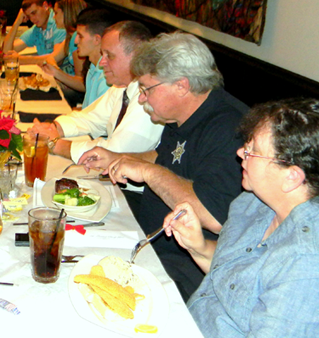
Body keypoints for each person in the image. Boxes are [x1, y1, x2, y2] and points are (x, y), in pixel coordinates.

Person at [165, 98, 319, 337]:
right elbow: (238, 282)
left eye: (253, 151)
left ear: (292, 177)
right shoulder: (255, 203)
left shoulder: (317, 261)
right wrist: (200, 248)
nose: (240, 152)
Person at [79, 32, 249, 300]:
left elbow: (214, 217)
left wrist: (147, 172)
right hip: (148, 237)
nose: (142, 99)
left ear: (181, 85)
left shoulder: (229, 129)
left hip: (182, 264)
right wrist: (119, 158)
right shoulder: (180, 114)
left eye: (146, 89)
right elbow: (163, 157)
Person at [30, 21, 162, 209]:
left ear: (137, 57)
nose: (101, 63)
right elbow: (91, 117)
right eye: (102, 54)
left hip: (135, 199)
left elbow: (113, 153)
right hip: (114, 185)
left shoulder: (148, 100)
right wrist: (55, 128)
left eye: (109, 56)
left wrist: (55, 144)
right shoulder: (122, 86)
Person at [40, 0, 87, 107]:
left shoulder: (77, 38)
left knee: (44, 95)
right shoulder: (69, 36)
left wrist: (57, 73)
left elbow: (82, 84)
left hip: (80, 94)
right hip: (70, 85)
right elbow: (51, 58)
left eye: (56, 13)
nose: (54, 17)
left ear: (67, 13)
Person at [2, 0, 67, 66]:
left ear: (45, 6)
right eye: (29, 16)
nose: (32, 19)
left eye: (34, 13)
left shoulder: (59, 23)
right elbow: (6, 52)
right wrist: (17, 22)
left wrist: (19, 59)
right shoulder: (37, 29)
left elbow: (57, 60)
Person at [73, 8, 115, 108]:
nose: (75, 41)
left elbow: (97, 122)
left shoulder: (106, 76)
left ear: (97, 40)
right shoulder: (92, 66)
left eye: (80, 36)